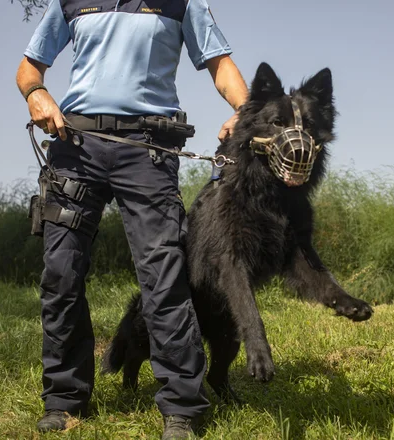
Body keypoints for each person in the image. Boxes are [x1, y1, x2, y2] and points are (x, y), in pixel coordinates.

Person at [15, 1, 248, 438]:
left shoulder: (183, 4)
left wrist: (244, 111)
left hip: (150, 149)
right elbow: (29, 68)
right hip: (76, 145)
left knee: (164, 277)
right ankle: (64, 399)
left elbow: (220, 65)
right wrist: (36, 94)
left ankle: (182, 407)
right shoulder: (69, 3)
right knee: (60, 273)